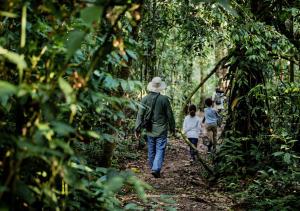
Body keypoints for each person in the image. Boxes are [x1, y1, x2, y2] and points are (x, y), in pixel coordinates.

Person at [135, 77, 175, 178]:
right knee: (160, 149)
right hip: (161, 130)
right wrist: (172, 128)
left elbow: (140, 115)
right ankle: (156, 168)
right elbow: (170, 115)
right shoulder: (164, 99)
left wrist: (137, 129)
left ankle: (153, 167)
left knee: (151, 149)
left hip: (149, 129)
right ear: (160, 87)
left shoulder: (145, 99)